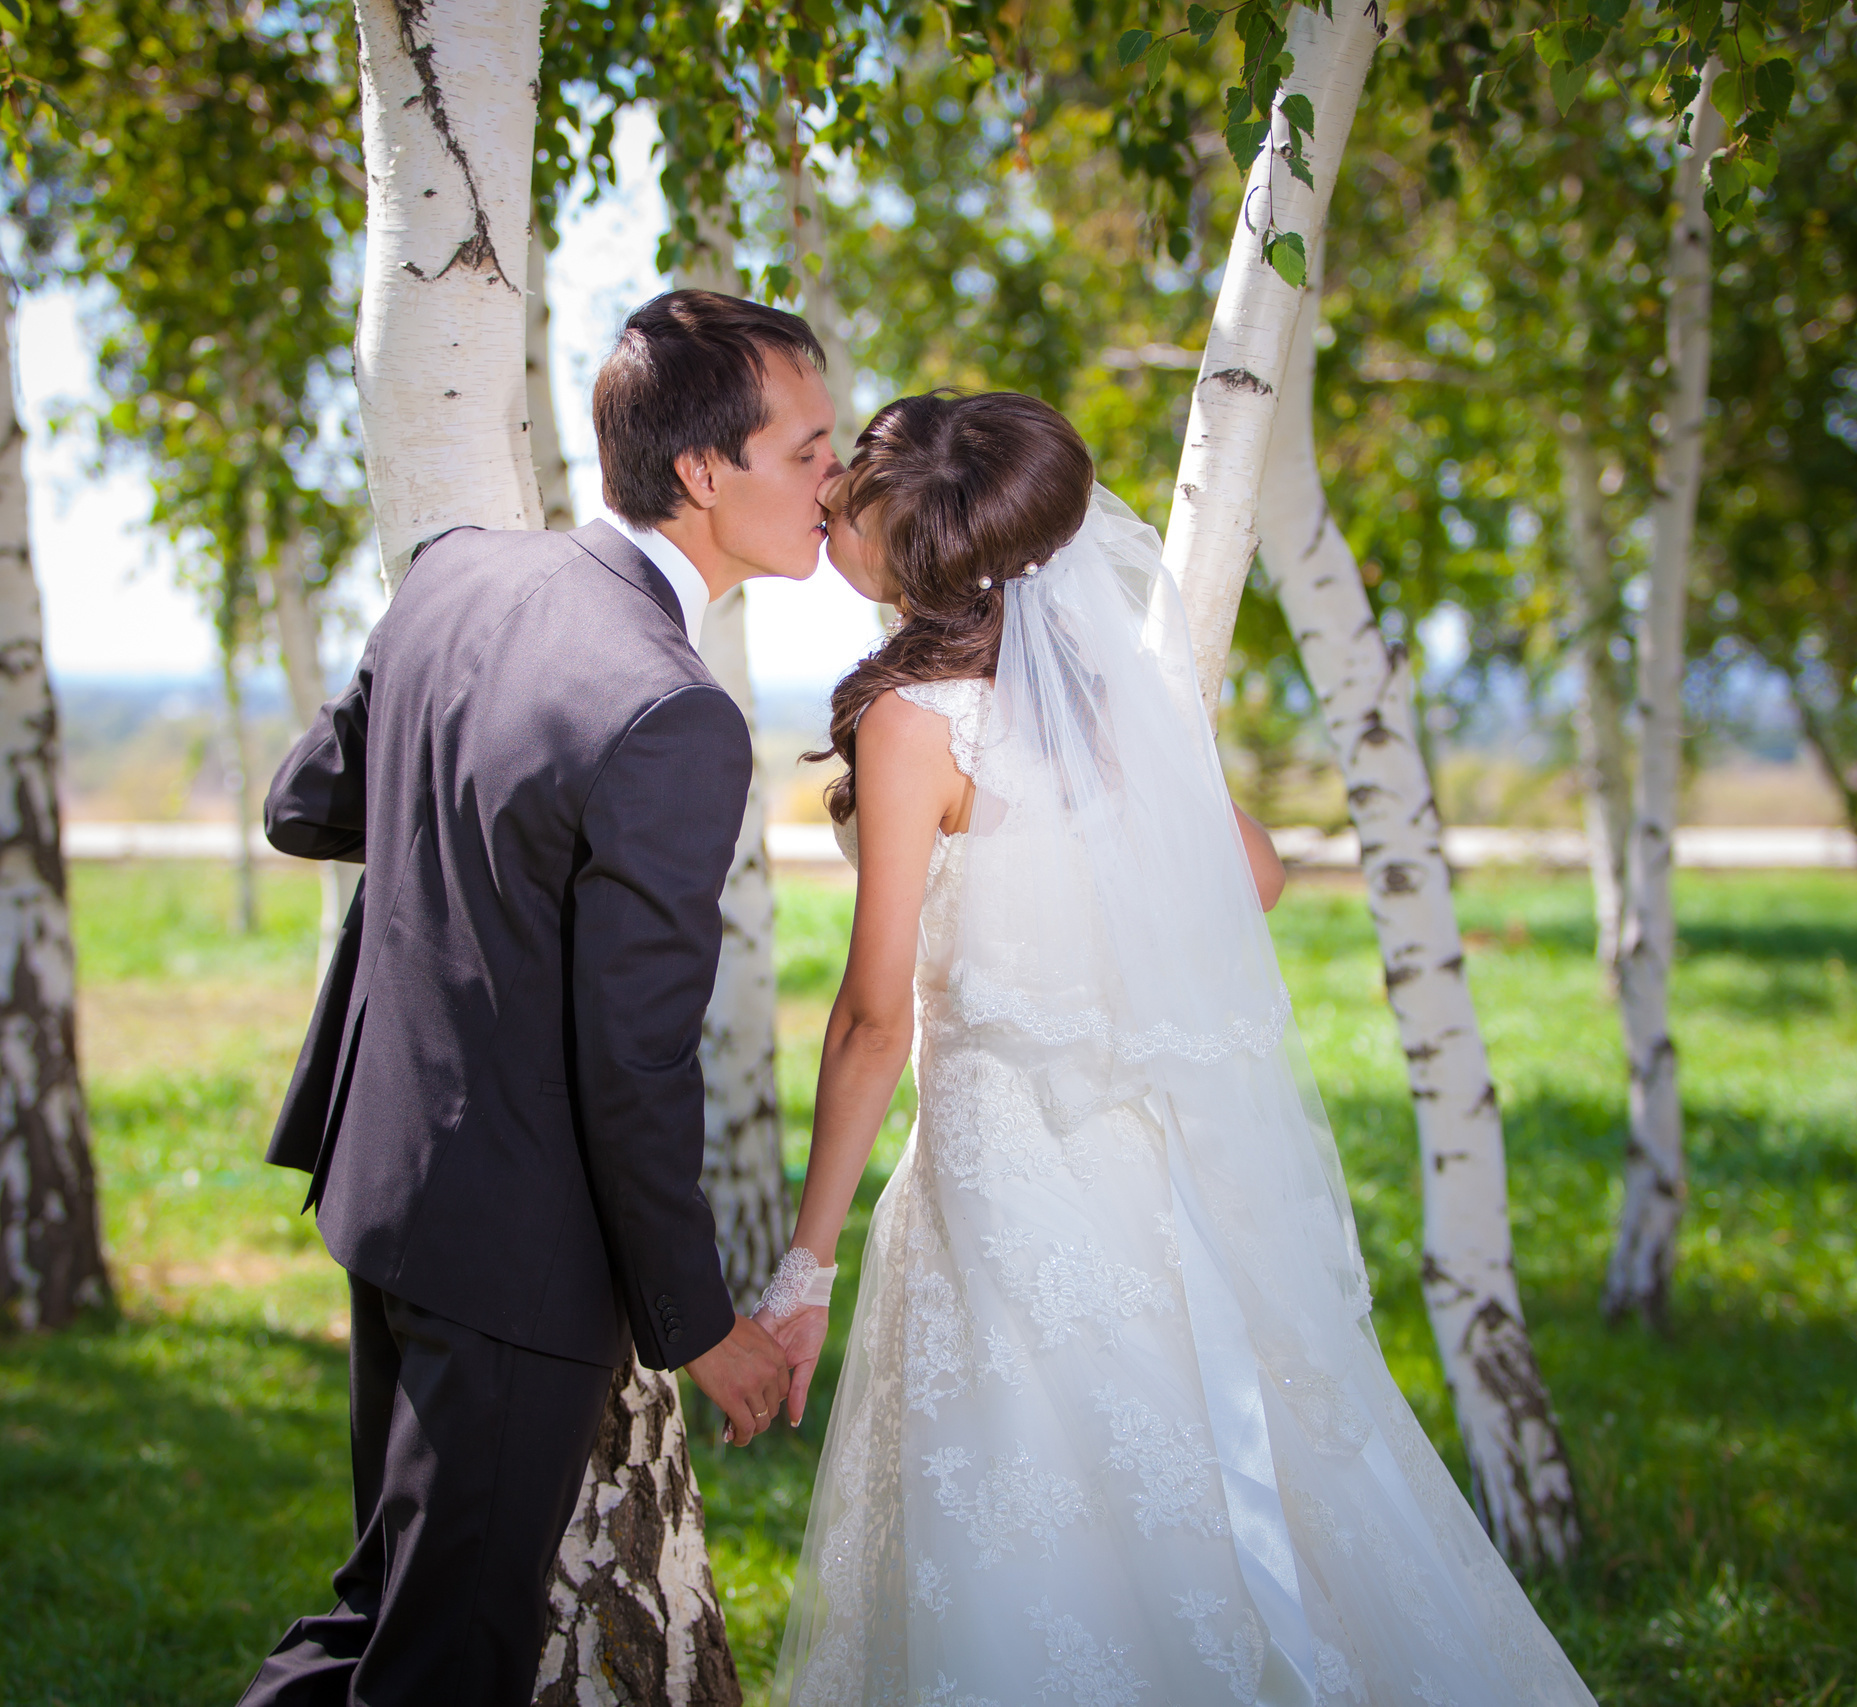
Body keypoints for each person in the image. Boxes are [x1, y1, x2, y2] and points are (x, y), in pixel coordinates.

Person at [759, 392, 1600, 1705]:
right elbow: (1250, 875)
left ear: (922, 554)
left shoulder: (915, 720)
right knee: (1180, 1471)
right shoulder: (1107, 689)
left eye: (853, 497)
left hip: (999, 1183)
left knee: (1029, 1500)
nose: (830, 506)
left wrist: (804, 1266)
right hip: (1137, 1171)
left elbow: (872, 1021)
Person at [238, 290, 842, 1707]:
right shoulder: (674, 713)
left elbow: (305, 802)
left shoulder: (457, 577)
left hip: (384, 1181)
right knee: (443, 1655)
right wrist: (697, 1323)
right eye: (810, 449)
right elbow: (636, 1066)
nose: (840, 475)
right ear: (705, 473)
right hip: (510, 1243)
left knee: (384, 1611)